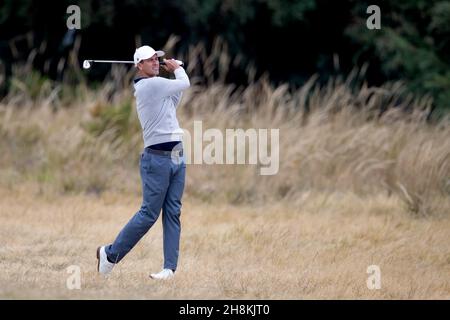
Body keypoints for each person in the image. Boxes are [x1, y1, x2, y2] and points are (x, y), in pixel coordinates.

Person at [96, 45, 190, 280]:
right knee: (149, 214)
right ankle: (110, 254)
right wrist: (177, 69)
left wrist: (175, 72)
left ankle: (169, 269)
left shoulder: (158, 87)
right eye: (149, 61)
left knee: (172, 212)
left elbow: (176, 96)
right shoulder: (149, 86)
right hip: (157, 160)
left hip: (177, 154)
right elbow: (184, 83)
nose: (156, 63)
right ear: (139, 66)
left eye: (157, 59)